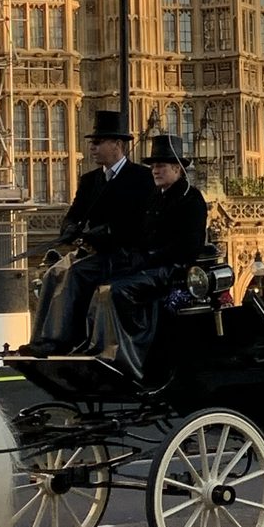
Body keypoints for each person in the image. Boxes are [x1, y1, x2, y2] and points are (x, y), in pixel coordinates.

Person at [20, 109, 155, 356]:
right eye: (92, 142)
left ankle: (60, 340)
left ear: (117, 145)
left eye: (98, 142)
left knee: (75, 274)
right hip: (92, 252)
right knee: (52, 273)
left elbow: (141, 223)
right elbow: (75, 212)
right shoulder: (90, 179)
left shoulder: (142, 178)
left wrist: (105, 233)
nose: (92, 148)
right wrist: (69, 227)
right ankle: (40, 338)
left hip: (123, 255)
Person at [80, 133, 208, 378]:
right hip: (147, 265)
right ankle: (95, 345)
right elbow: (138, 234)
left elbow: (188, 247)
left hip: (172, 270)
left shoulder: (191, 198)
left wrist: (148, 258)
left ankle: (129, 354)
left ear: (177, 169)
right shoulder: (155, 197)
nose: (155, 171)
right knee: (97, 281)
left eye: (161, 166)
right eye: (153, 166)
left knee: (116, 291)